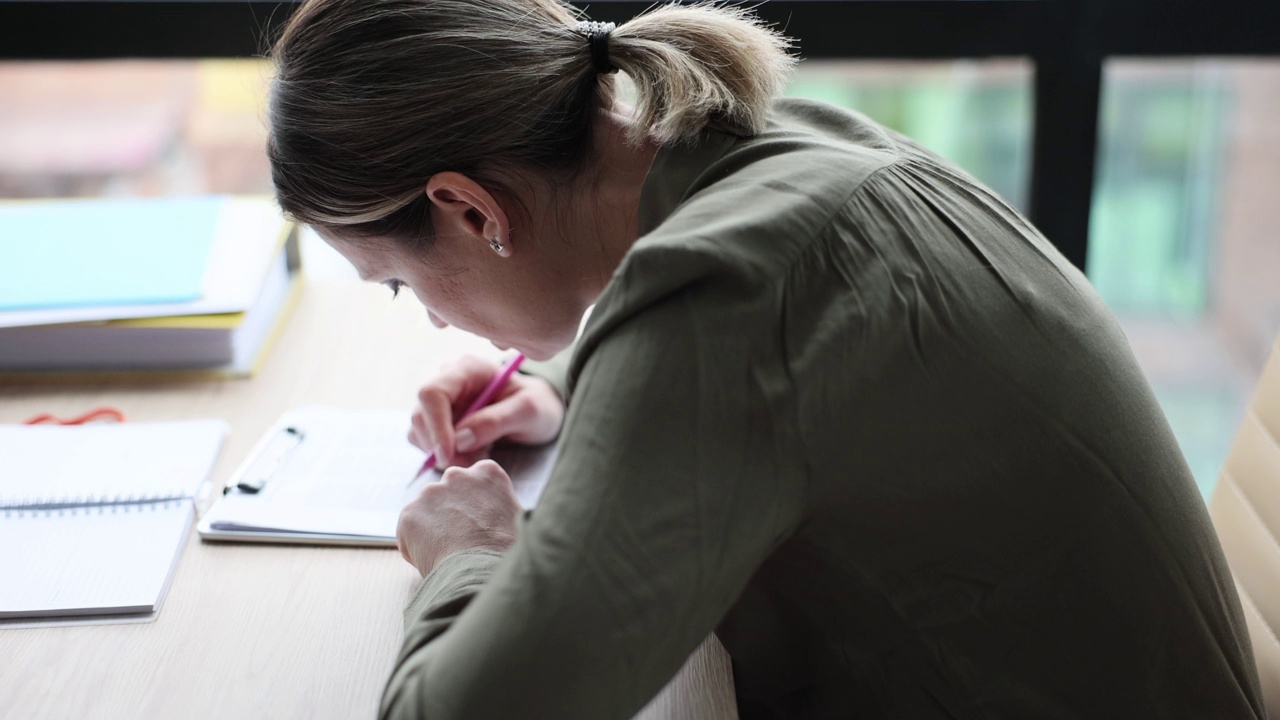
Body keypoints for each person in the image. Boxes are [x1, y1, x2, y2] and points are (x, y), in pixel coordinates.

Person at [266, 0, 1265, 717]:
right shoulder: (764, 143)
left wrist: (469, 557)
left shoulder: (720, 302)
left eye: (397, 283)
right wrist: (556, 389)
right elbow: (795, 356)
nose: (429, 322)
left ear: (470, 208)